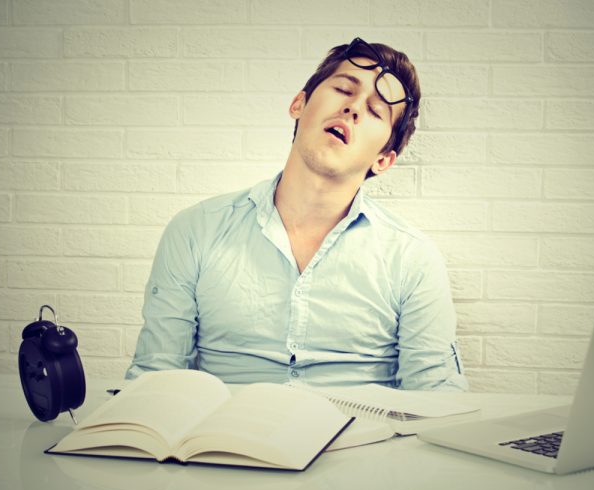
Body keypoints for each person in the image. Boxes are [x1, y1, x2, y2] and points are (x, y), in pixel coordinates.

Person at [126, 37, 468, 390]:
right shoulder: (195, 231)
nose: (353, 108)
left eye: (375, 111)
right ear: (299, 104)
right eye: (344, 89)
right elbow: (155, 379)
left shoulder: (413, 258)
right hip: (228, 426)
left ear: (384, 159)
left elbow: (436, 396)